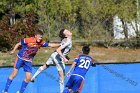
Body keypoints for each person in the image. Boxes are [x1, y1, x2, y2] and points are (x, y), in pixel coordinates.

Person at [31, 29, 72, 93]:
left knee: (45, 66)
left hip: (54, 54)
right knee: (62, 76)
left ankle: (33, 77)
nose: (69, 31)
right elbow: (58, 50)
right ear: (66, 35)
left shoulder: (66, 40)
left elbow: (63, 50)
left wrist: (65, 56)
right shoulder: (68, 41)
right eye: (67, 31)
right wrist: (64, 58)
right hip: (57, 57)